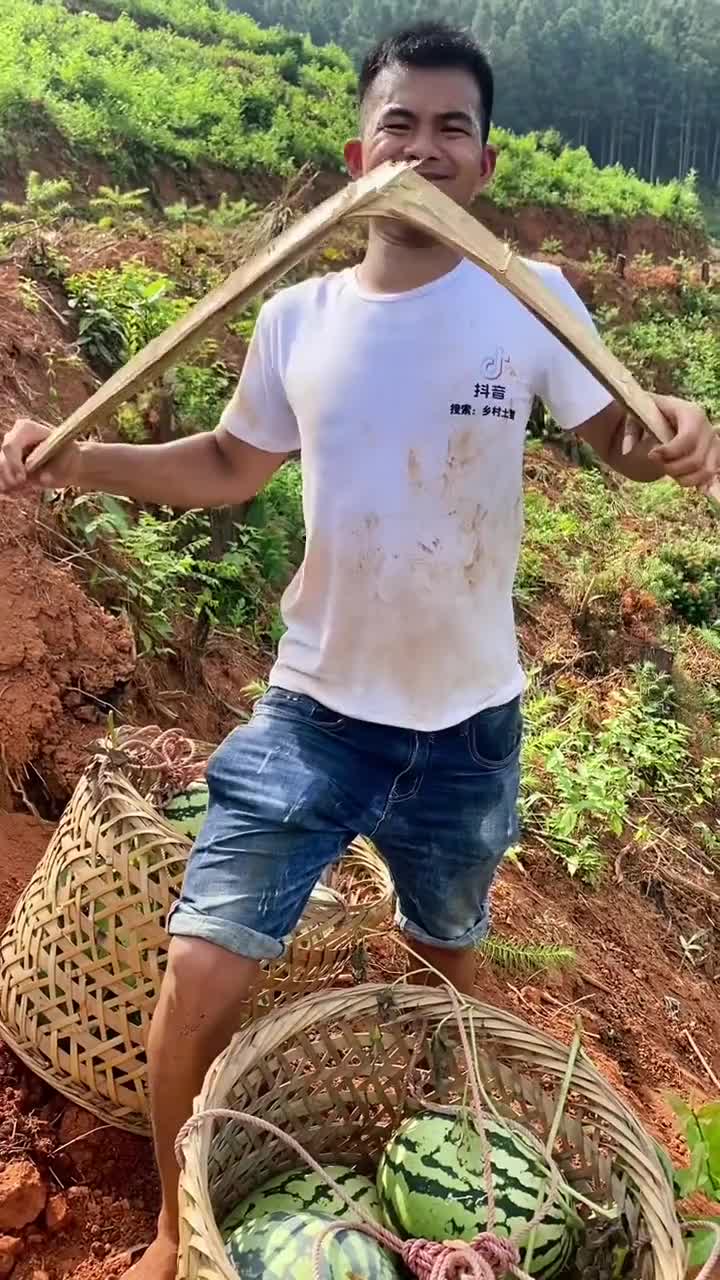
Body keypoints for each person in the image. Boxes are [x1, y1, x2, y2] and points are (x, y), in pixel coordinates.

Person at [2, 20, 719, 1279]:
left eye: (453, 128)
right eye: (402, 123)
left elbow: (617, 435)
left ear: (484, 164)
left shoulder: (532, 298)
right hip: (316, 711)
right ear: (359, 156)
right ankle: (173, 1226)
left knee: (447, 966)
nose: (425, 149)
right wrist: (80, 457)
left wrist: (672, 430)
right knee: (200, 965)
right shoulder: (300, 315)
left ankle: (440, 1172)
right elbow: (230, 463)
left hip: (470, 727)